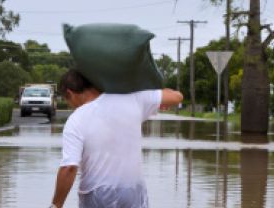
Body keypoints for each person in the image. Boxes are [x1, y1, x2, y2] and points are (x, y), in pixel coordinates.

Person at [50, 69, 184, 208]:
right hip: (134, 192)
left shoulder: (76, 119)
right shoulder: (133, 98)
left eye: (67, 101)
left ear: (70, 93)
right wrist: (146, 92)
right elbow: (177, 96)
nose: (71, 106)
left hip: (96, 194)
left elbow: (69, 167)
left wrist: (56, 205)